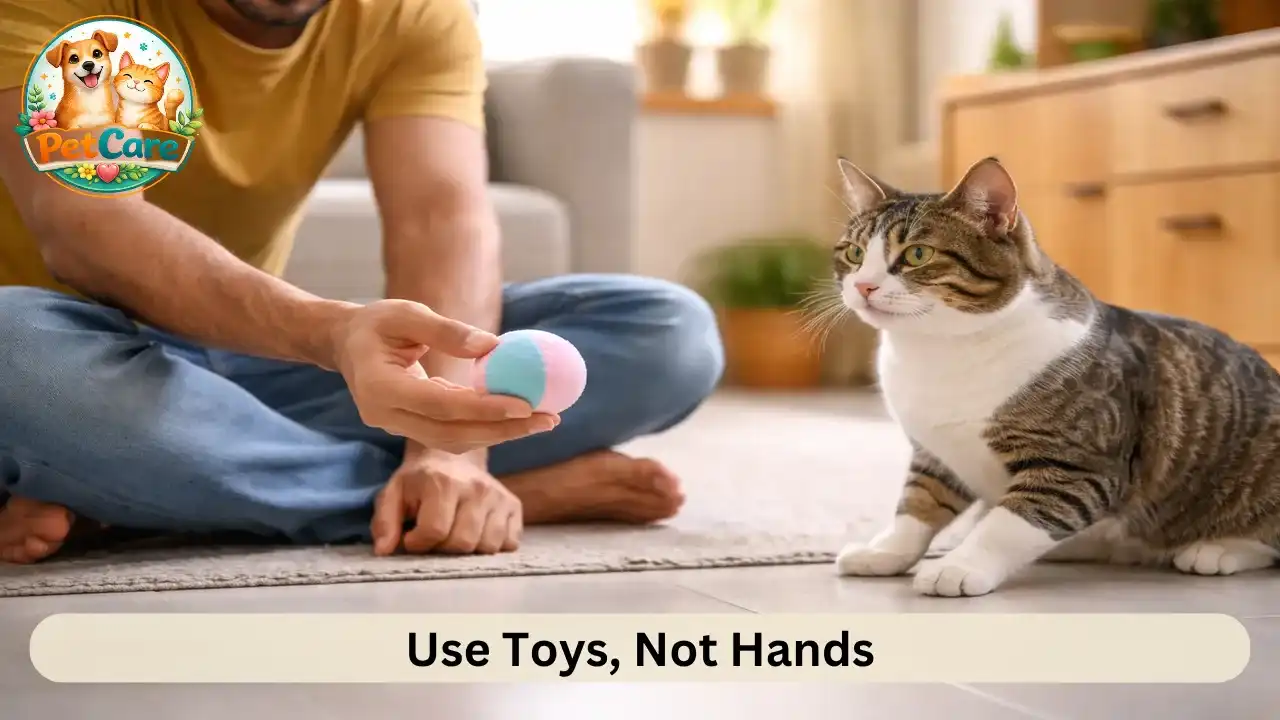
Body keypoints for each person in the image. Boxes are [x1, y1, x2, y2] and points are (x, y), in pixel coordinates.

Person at [0, 0, 724, 564]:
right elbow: (83, 227)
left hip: (252, 362)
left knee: (666, 333)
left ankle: (141, 489)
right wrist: (333, 333)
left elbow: (441, 218)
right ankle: (459, 499)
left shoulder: (413, 12)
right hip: (66, 354)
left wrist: (448, 448)